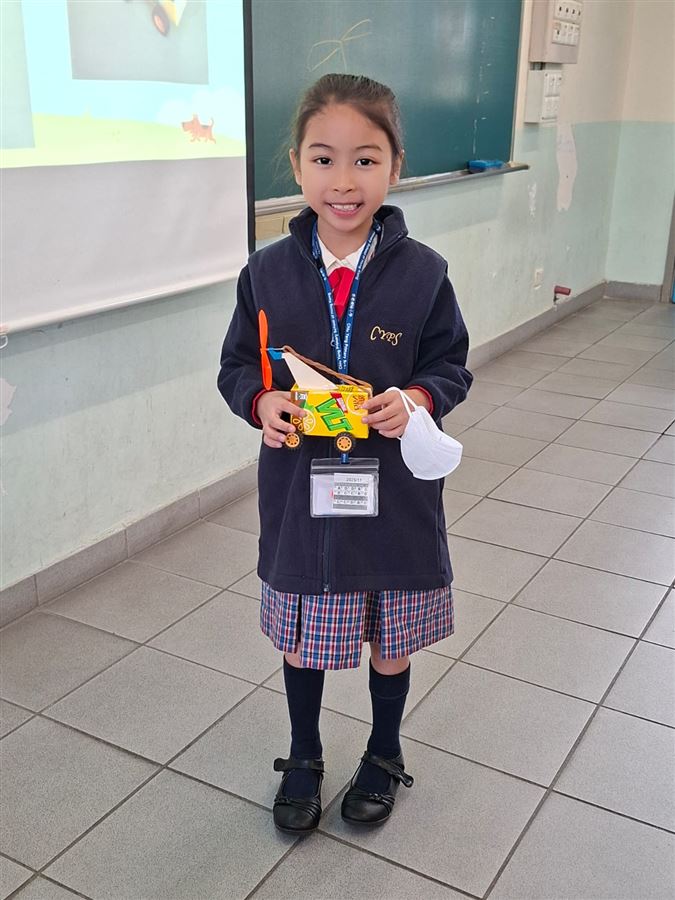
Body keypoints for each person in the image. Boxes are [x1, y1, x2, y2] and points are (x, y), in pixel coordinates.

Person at [218, 73, 472, 835]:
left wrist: (416, 398)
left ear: (395, 166)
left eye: (365, 160)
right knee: (304, 637)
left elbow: (449, 365)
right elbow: (237, 367)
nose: (343, 181)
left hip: (392, 496)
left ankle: (384, 751)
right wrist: (261, 403)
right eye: (323, 159)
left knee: (388, 639)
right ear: (296, 165)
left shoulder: (424, 272)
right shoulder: (265, 271)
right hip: (301, 494)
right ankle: (303, 754)